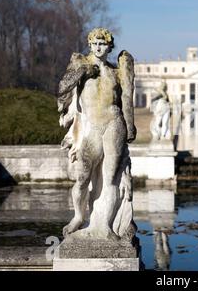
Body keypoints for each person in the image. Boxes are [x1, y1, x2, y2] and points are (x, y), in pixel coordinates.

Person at [57, 28, 136, 240]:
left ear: (109, 46)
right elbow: (62, 88)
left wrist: (130, 126)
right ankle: (79, 216)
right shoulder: (81, 64)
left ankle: (104, 227)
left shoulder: (115, 71)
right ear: (90, 45)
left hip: (114, 123)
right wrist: (82, 71)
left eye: (102, 44)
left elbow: (126, 99)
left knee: (110, 179)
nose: (98, 47)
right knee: (82, 178)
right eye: (94, 44)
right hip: (91, 127)